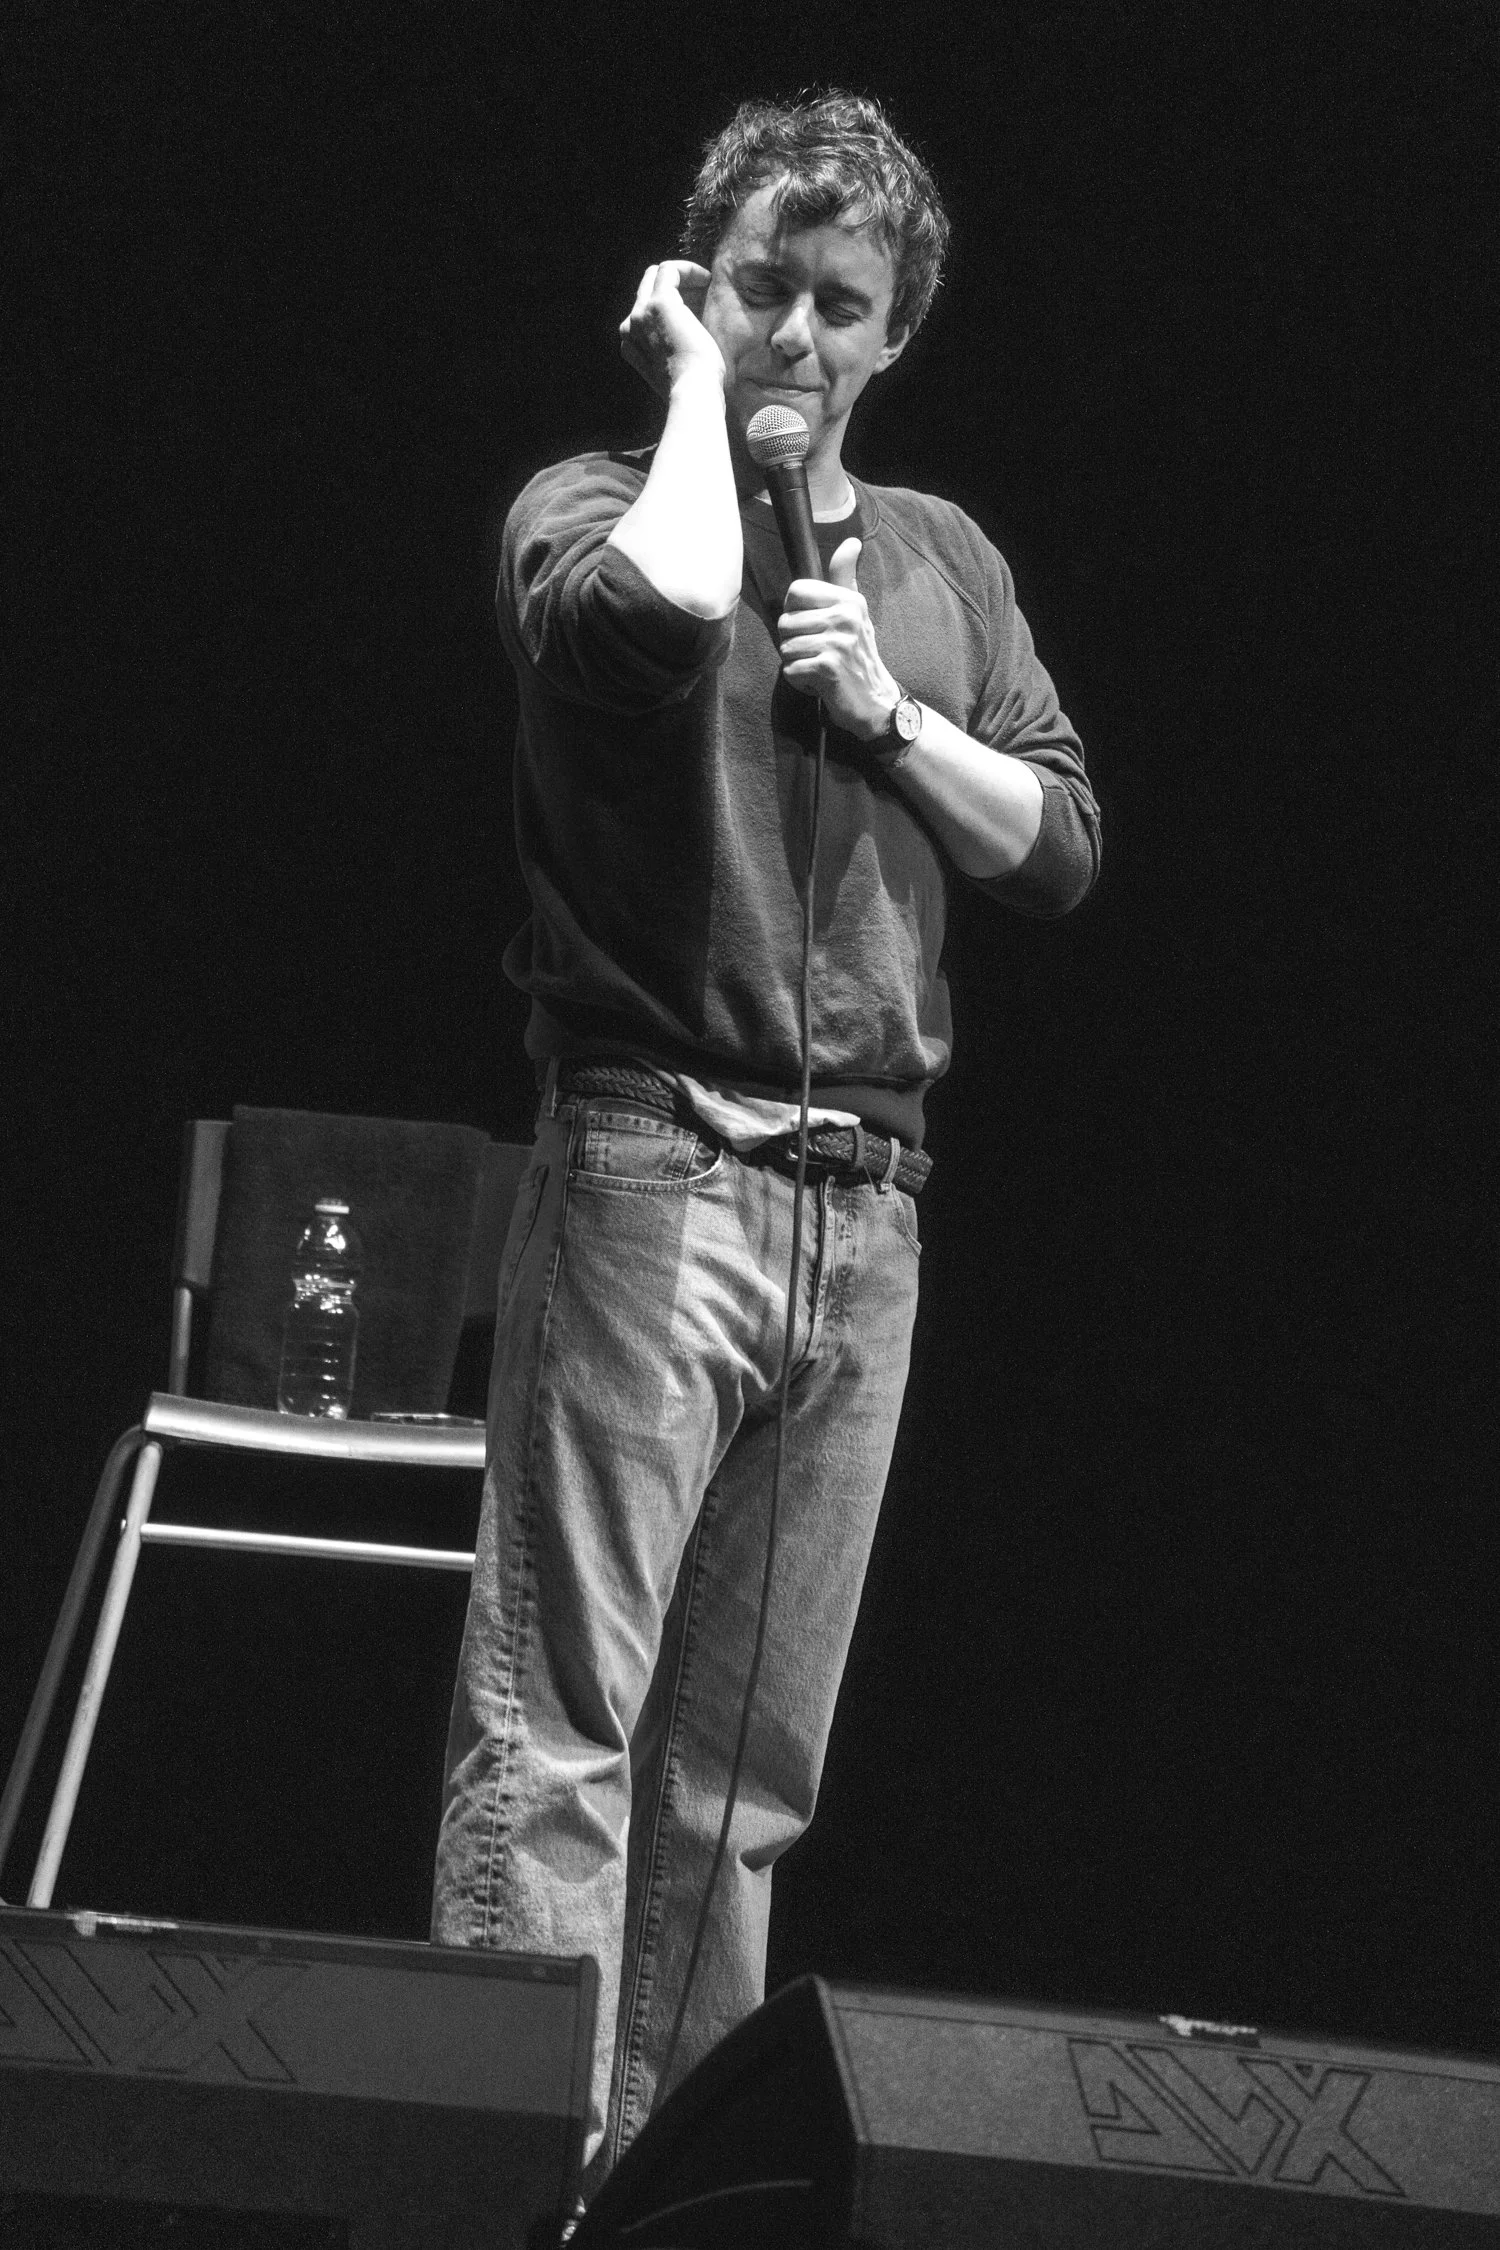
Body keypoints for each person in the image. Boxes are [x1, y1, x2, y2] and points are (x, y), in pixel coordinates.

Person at [433, 90, 1100, 2193]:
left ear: (898, 331)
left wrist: (896, 718)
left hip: (865, 1215)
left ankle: (677, 2213)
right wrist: (705, 408)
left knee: (743, 1788)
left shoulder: (945, 567)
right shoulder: (595, 505)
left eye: (841, 307)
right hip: (654, 1164)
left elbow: (1061, 845)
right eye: (759, 294)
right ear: (692, 292)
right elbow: (654, 614)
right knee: (561, 1740)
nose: (800, 334)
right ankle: (499, 2193)